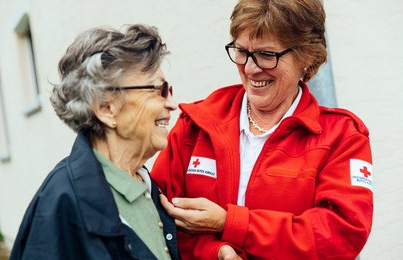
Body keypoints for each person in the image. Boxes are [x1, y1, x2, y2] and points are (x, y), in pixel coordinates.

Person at [151, 0, 373, 259]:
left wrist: (231, 224)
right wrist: (215, 252)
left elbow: (339, 236)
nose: (250, 68)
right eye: (242, 51)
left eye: (267, 55)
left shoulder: (343, 137)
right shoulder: (197, 124)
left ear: (308, 56)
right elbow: (157, 221)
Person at [10, 24, 180, 260]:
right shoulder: (62, 201)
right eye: (157, 90)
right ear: (106, 109)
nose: (172, 104)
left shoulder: (146, 185)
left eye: (169, 90)